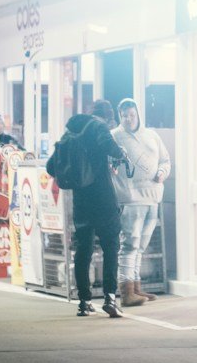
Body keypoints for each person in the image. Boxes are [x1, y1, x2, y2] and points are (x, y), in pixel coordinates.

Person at [64, 100, 128, 318]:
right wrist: (120, 153)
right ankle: (110, 297)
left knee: (83, 250)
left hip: (80, 199)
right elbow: (109, 146)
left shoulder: (71, 131)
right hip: (102, 197)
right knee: (111, 246)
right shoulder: (99, 126)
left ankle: (84, 301)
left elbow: (54, 164)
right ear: (108, 118)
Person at [111, 97, 171, 306]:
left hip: (153, 197)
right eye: (124, 116)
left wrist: (162, 172)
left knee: (141, 245)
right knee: (129, 244)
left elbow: (165, 160)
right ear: (120, 117)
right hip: (129, 199)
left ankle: (135, 287)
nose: (129, 119)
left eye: (132, 115)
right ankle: (126, 291)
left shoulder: (152, 135)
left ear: (138, 115)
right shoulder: (114, 137)